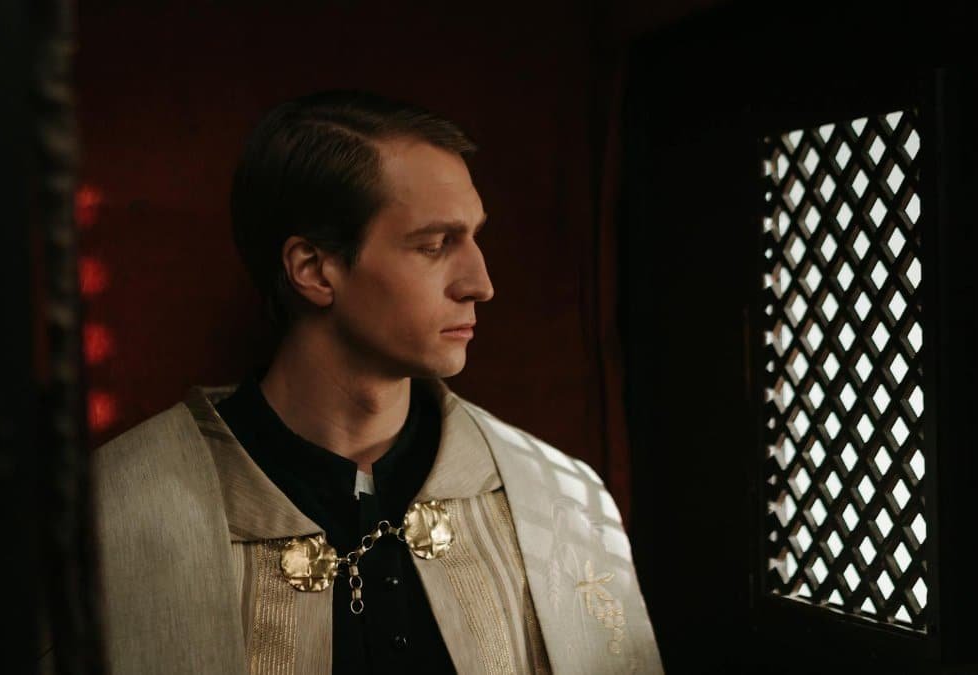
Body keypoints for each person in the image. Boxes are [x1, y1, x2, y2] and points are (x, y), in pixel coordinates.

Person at [91, 90, 663, 674]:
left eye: (474, 238)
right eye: (435, 245)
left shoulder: (558, 499)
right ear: (313, 269)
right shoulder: (116, 511)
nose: (481, 282)